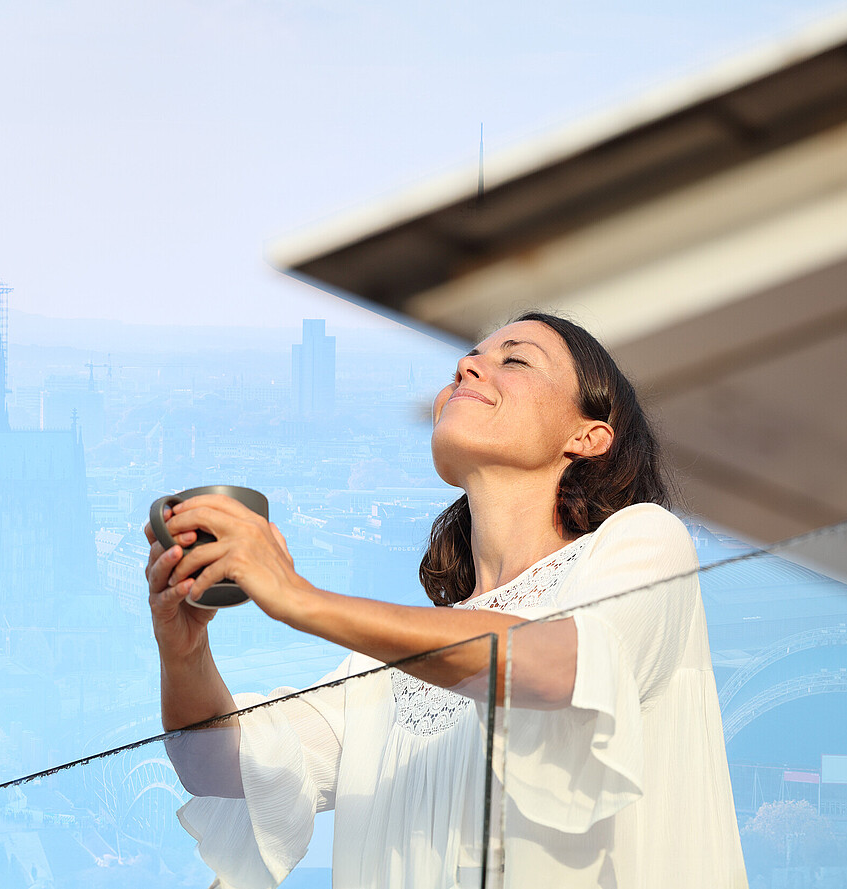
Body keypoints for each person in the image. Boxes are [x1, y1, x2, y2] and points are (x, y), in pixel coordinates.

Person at [145, 313, 745, 888]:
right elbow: (216, 765)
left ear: (588, 437)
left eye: (516, 360)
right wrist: (183, 647)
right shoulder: (387, 667)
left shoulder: (643, 542)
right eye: (468, 358)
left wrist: (297, 597)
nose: (467, 367)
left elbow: (560, 663)